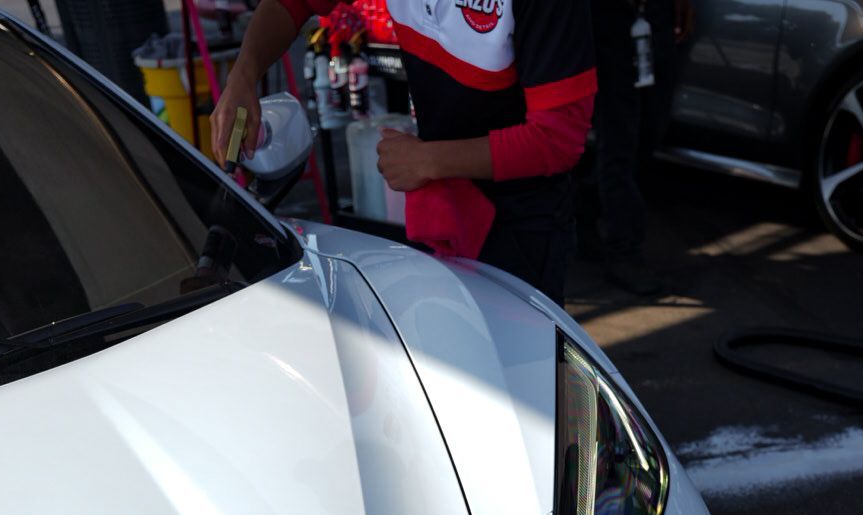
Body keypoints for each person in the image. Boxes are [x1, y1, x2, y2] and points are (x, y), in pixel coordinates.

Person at [211, 0, 597, 306]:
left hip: (521, 230)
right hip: (439, 214)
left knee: (522, 373)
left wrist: (429, 161)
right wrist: (243, 76)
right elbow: (292, 4)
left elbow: (558, 139)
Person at [587, 0, 692, 294]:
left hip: (656, 19)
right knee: (619, 144)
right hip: (610, 23)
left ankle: (585, 209)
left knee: (649, 135)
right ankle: (623, 253)